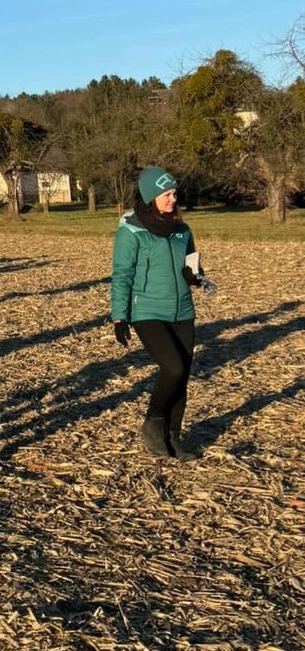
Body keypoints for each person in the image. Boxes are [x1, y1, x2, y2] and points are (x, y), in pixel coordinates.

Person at [110, 166, 205, 460]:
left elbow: (191, 265)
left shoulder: (181, 230)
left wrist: (196, 276)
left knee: (182, 375)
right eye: (166, 194)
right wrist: (119, 315)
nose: (172, 199)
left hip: (183, 310)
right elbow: (122, 274)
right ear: (151, 196)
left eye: (174, 193)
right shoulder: (132, 231)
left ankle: (174, 437)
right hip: (148, 310)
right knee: (173, 368)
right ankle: (153, 423)